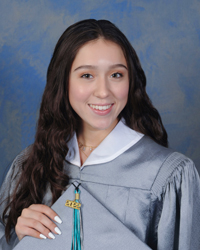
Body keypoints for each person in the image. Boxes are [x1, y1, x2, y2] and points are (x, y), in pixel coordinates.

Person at [0, 19, 200, 250]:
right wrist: (17, 236)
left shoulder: (167, 176)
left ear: (130, 80)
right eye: (87, 75)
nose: (103, 92)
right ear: (63, 82)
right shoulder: (30, 164)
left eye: (116, 75)